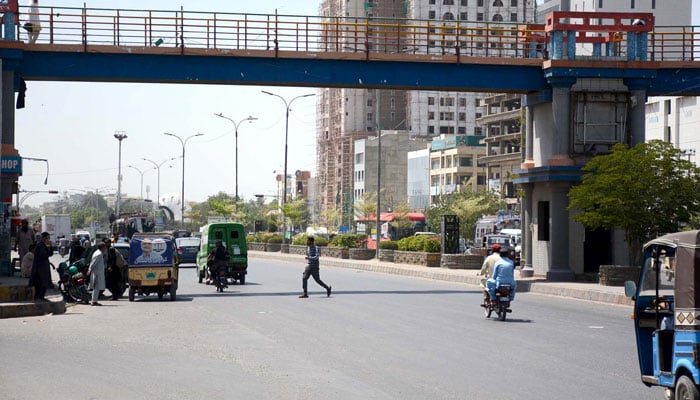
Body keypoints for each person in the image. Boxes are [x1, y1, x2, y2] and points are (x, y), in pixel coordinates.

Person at [30, 232, 53, 302]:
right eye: (47, 238)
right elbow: (43, 255)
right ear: (44, 238)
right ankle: (38, 297)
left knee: (45, 282)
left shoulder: (44, 245)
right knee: (40, 283)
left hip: (44, 266)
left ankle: (41, 297)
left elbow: (50, 253)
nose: (48, 240)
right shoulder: (40, 245)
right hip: (39, 267)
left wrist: (51, 246)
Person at [87, 242, 107, 306]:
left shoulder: (98, 253)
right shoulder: (99, 254)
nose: (105, 248)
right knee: (96, 287)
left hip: (98, 272)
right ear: (102, 247)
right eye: (104, 247)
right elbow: (93, 263)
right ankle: (94, 301)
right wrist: (89, 270)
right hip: (97, 273)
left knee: (96, 287)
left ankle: (94, 300)